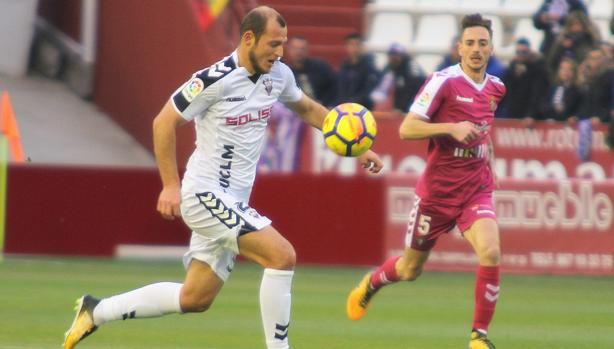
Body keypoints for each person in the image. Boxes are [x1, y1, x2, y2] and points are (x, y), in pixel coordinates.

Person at [62, 6, 383, 349]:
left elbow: (306, 107)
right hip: (204, 194)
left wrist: (356, 147)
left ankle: (95, 311)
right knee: (282, 256)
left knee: (195, 298)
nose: (279, 53)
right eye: (273, 44)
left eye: (283, 45)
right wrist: (170, 185)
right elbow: (163, 122)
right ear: (249, 38)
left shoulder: (279, 75)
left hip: (233, 200)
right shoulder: (213, 80)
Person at [346, 14, 505, 349]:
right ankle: (372, 284)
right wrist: (449, 127)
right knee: (409, 270)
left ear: (491, 48)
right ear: (459, 47)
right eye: (470, 43)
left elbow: (483, 129)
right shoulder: (443, 82)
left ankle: (478, 336)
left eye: (483, 43)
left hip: (475, 188)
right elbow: (407, 128)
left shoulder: (496, 88)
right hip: (437, 195)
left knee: (490, 252)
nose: (476, 49)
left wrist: (488, 152)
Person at [502, 38, 549, 124]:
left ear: (529, 52)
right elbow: (507, 91)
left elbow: (537, 94)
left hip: (530, 118)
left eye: (523, 52)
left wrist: (530, 114)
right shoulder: (511, 68)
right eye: (518, 52)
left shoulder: (538, 68)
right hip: (512, 115)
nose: (520, 55)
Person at [370, 43, 425, 116]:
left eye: (396, 55)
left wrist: (402, 108)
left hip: (416, 106)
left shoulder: (411, 67)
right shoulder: (390, 66)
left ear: (402, 55)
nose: (393, 58)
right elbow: (380, 85)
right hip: (398, 107)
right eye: (391, 55)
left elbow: (416, 89)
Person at [284, 36, 337, 107]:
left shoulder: (321, 67)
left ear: (308, 50)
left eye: (302, 49)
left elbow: (335, 89)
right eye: (295, 48)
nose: (299, 52)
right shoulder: (285, 73)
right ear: (288, 50)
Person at [337, 32, 380, 110]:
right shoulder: (344, 66)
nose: (354, 48)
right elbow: (341, 88)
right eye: (351, 45)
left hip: (364, 109)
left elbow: (368, 91)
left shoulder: (369, 67)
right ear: (347, 47)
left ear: (361, 47)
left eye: (357, 44)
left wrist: (351, 103)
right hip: (345, 108)